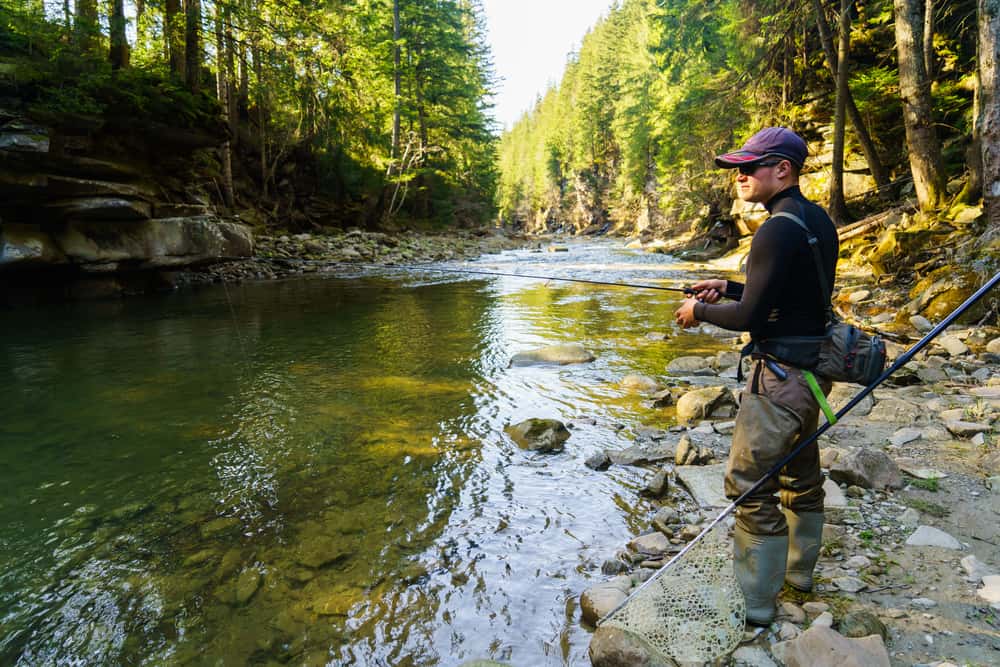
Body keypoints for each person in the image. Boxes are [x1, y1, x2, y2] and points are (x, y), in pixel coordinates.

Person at [673, 127, 838, 625]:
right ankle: (799, 576)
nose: (739, 176)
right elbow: (792, 295)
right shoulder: (815, 221)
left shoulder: (773, 229)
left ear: (782, 170)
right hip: (813, 374)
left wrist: (697, 313)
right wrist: (729, 285)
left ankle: (757, 606)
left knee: (748, 482)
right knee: (799, 473)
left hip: (780, 381)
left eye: (749, 167)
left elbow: (748, 319)